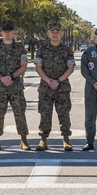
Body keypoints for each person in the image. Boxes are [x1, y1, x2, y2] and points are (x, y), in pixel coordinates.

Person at [0, 20, 31, 152]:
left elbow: (23, 66)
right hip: (1, 87)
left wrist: (11, 76)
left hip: (16, 86)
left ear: (13, 33)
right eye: (5, 31)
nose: (7, 34)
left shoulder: (20, 48)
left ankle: (23, 140)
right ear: (1, 33)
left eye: (9, 31)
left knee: (20, 113)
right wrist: (2, 78)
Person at [34, 21, 76, 151]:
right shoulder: (41, 49)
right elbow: (38, 67)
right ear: (48, 34)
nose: (55, 34)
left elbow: (70, 68)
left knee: (64, 114)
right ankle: (43, 139)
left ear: (61, 34)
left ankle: (66, 140)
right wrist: (48, 81)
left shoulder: (67, 50)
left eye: (57, 32)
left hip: (62, 87)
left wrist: (58, 81)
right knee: (45, 114)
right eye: (53, 32)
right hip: (45, 88)